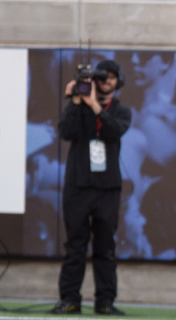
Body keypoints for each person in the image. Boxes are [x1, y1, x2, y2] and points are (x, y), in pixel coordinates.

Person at [51, 60, 132, 315]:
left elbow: (114, 131)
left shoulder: (121, 110)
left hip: (107, 188)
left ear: (118, 82)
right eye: (102, 77)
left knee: (105, 247)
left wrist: (95, 105)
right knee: (75, 245)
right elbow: (65, 131)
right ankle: (70, 299)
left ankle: (105, 301)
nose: (106, 81)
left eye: (111, 78)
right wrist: (76, 101)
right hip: (78, 185)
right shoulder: (79, 106)